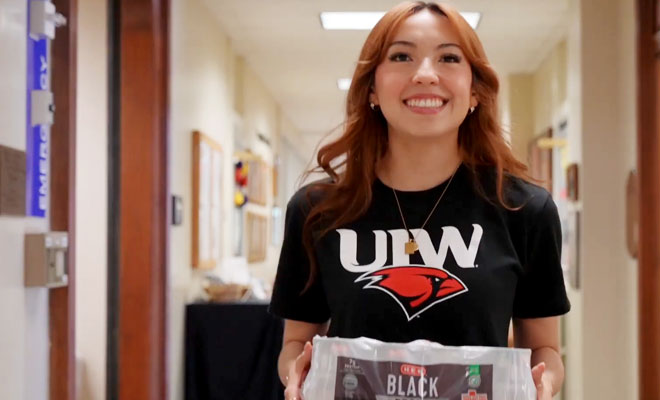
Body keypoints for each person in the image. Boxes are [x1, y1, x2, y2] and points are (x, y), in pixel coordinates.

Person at [268, 2, 571, 399]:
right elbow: (295, 343)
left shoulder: (524, 210)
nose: (425, 74)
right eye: (401, 56)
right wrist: (297, 372)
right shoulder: (317, 211)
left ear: (475, 90)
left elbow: (545, 349)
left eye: (448, 57)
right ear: (372, 88)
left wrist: (544, 383)